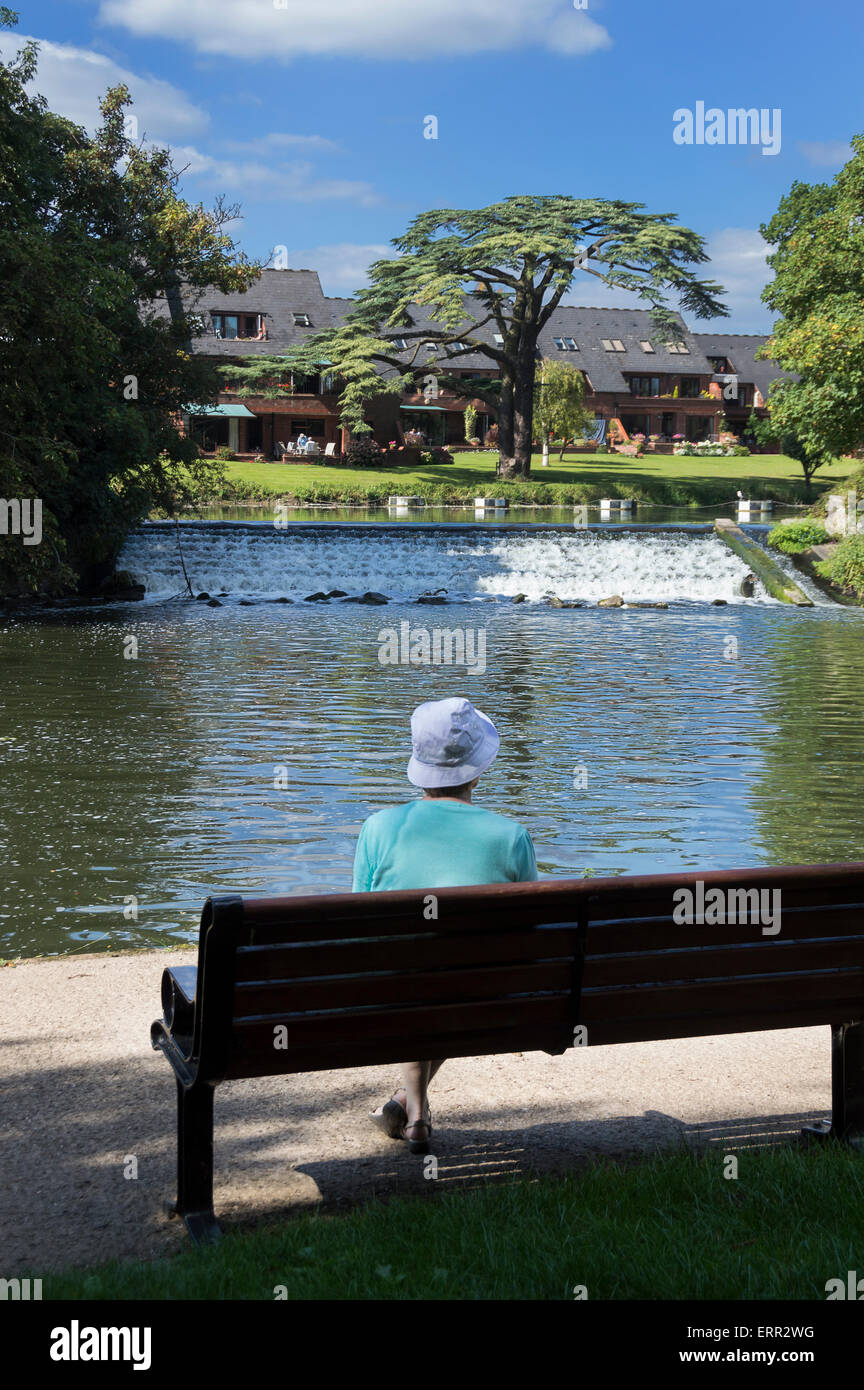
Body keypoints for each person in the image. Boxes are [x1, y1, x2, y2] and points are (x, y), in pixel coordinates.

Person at [352, 697, 538, 1154]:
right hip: (483, 993)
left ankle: (413, 1113)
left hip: (394, 991)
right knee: (457, 971)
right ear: (478, 770)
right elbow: (535, 933)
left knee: (417, 969)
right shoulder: (511, 836)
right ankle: (411, 1108)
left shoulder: (379, 828)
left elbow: (357, 924)